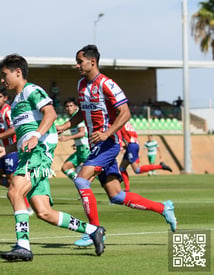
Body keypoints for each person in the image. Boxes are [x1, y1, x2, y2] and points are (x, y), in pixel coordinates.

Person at [0, 54, 105, 262]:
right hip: (27, 155)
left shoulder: (32, 90)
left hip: (39, 153)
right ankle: (94, 230)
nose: (2, 80)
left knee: (14, 191)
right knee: (44, 212)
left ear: (18, 72)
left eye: (5, 75)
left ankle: (23, 246)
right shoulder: (15, 104)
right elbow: (24, 135)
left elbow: (50, 114)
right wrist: (5, 150)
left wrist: (37, 136)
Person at [56, 45, 177, 248]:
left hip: (108, 144)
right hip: (97, 145)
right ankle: (163, 208)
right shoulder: (81, 85)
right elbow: (82, 113)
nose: (76, 65)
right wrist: (65, 125)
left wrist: (106, 133)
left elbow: (125, 112)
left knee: (81, 180)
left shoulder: (107, 84)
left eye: (80, 61)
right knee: (116, 195)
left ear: (92, 62)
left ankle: (94, 231)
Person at [0, 86, 33, 215]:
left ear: (5, 98)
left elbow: (14, 129)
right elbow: (1, 130)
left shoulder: (8, 111)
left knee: (13, 180)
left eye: (0, 97)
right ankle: (20, 192)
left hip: (11, 150)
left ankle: (25, 206)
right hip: (2, 150)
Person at [119, 121, 172, 192]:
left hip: (131, 146)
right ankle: (127, 189)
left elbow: (120, 135)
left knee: (137, 170)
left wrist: (120, 146)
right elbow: (131, 135)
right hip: (133, 144)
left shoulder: (119, 122)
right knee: (122, 168)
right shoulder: (127, 122)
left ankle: (161, 166)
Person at [58, 98, 90, 182]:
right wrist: (76, 143)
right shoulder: (72, 119)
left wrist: (66, 138)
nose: (69, 108)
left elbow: (82, 133)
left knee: (94, 173)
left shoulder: (78, 118)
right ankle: (80, 183)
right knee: (65, 168)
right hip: (79, 150)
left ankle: (111, 180)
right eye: (67, 106)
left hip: (85, 150)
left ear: (76, 107)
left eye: (71, 106)